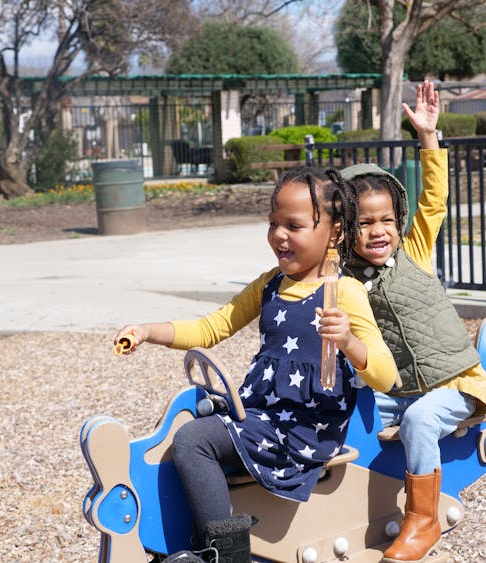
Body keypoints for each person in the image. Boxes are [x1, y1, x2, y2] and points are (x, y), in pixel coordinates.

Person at [114, 167, 397, 563]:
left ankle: (228, 556)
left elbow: (385, 374)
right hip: (264, 414)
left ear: (333, 234)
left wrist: (348, 341)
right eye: (273, 223)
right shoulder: (269, 283)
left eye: (293, 225)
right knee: (189, 422)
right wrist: (149, 330)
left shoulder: (343, 292)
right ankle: (183, 542)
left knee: (193, 440)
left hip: (301, 428)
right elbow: (213, 326)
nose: (279, 235)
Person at [340, 80, 486, 563]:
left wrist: (428, 138)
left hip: (455, 384)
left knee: (422, 419)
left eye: (386, 220)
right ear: (345, 229)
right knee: (342, 409)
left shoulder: (416, 251)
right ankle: (328, 493)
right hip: (400, 390)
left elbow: (434, 201)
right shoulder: (343, 277)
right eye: (364, 223)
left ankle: (422, 519)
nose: (378, 231)